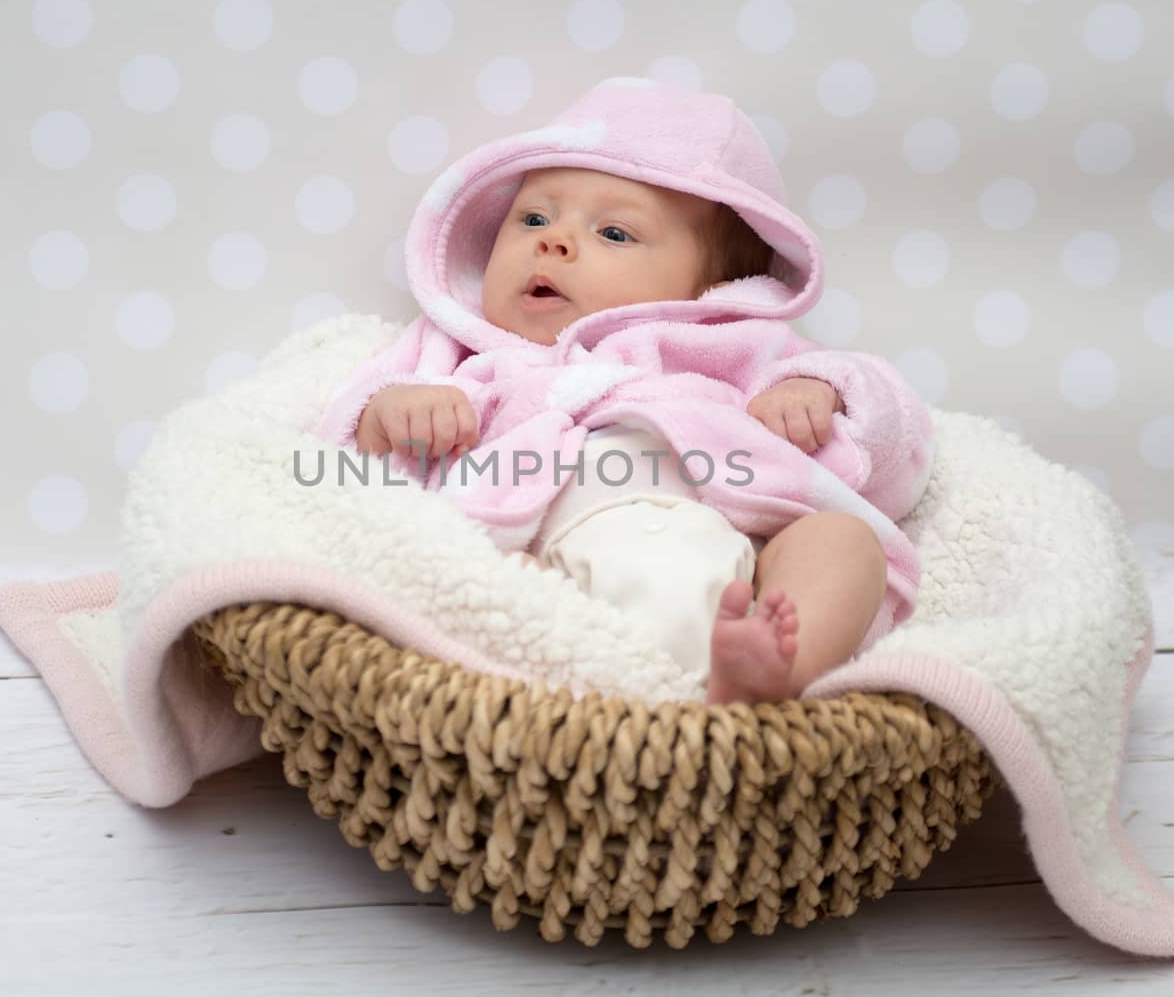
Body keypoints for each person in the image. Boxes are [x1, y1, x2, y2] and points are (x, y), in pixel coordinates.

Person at [311, 78, 934, 705]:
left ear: (713, 286)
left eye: (614, 233)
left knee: (842, 543)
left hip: (738, 559)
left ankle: (773, 673)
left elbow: (900, 444)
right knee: (454, 577)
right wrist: (388, 416)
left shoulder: (738, 346)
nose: (552, 241)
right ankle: (585, 684)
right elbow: (342, 461)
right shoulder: (463, 356)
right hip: (540, 567)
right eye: (532, 218)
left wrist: (821, 393)